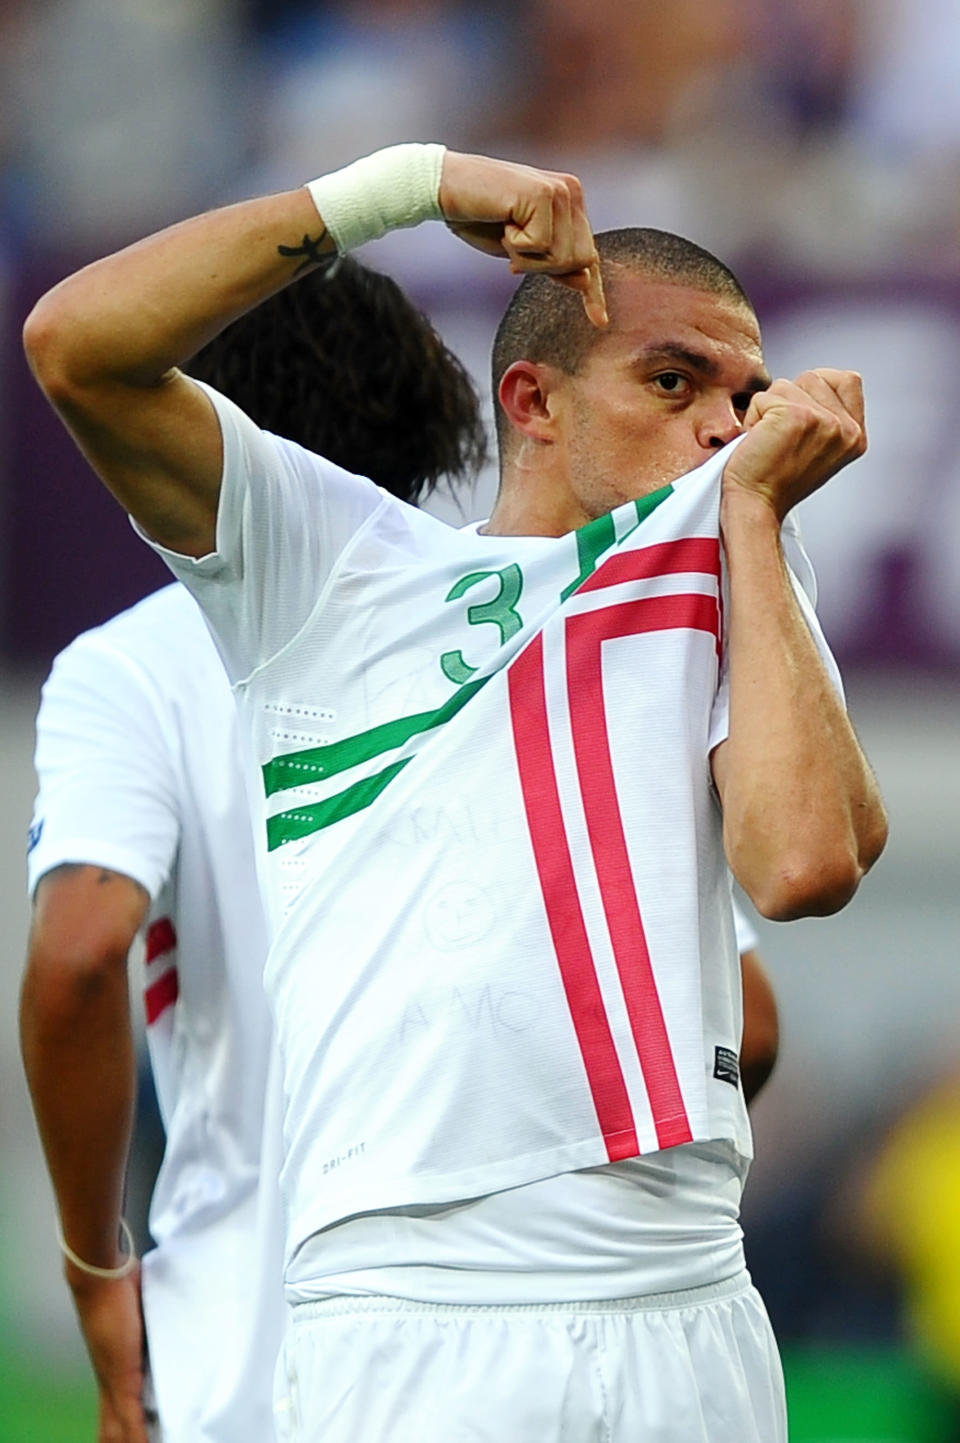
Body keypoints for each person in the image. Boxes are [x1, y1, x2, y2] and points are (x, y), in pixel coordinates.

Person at [22, 143, 887, 1441]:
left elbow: (806, 863)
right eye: (673, 379)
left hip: (694, 1296)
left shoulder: (725, 579)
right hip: (419, 1315)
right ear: (535, 402)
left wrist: (758, 523)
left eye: (747, 394)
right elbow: (74, 345)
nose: (725, 424)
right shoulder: (338, 572)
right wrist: (406, 187)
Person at [20, 254, 487, 1443]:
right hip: (523, 1348)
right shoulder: (520, 630)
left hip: (249, 1356)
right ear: (434, 429)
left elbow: (79, 958)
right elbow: (745, 1019)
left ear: (186, 434)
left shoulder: (133, 668)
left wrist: (93, 1263)